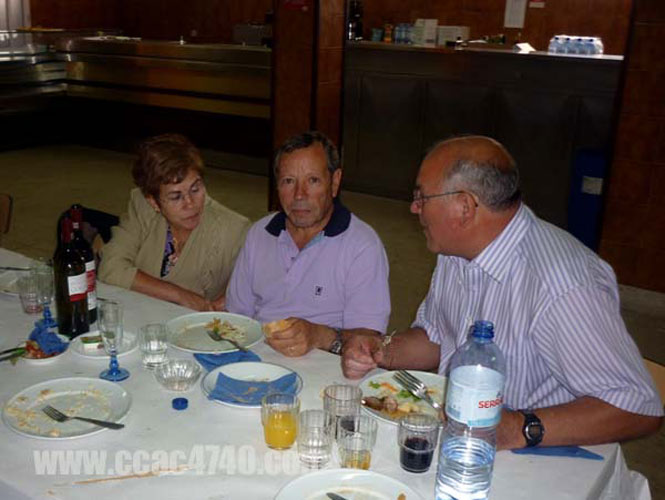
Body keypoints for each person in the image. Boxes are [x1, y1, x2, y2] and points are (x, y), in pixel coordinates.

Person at [342, 136, 663, 449]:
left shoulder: (561, 283)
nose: (414, 208)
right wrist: (382, 350)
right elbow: (437, 338)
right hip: (464, 438)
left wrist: (518, 428)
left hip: (547, 454)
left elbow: (639, 407)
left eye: (422, 197)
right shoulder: (455, 253)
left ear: (464, 206)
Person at [226, 131, 390, 357]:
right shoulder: (259, 234)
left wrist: (318, 336)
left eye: (312, 180)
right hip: (256, 358)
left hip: (327, 365)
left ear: (335, 182)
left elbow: (368, 342)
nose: (299, 195)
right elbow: (236, 319)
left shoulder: (362, 246)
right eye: (288, 181)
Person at [99, 134, 250, 311]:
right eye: (176, 197)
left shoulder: (235, 229)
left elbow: (257, 287)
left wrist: (227, 301)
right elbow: (111, 267)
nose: (190, 204)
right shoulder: (142, 208)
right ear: (154, 202)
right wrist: (180, 295)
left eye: (195, 188)